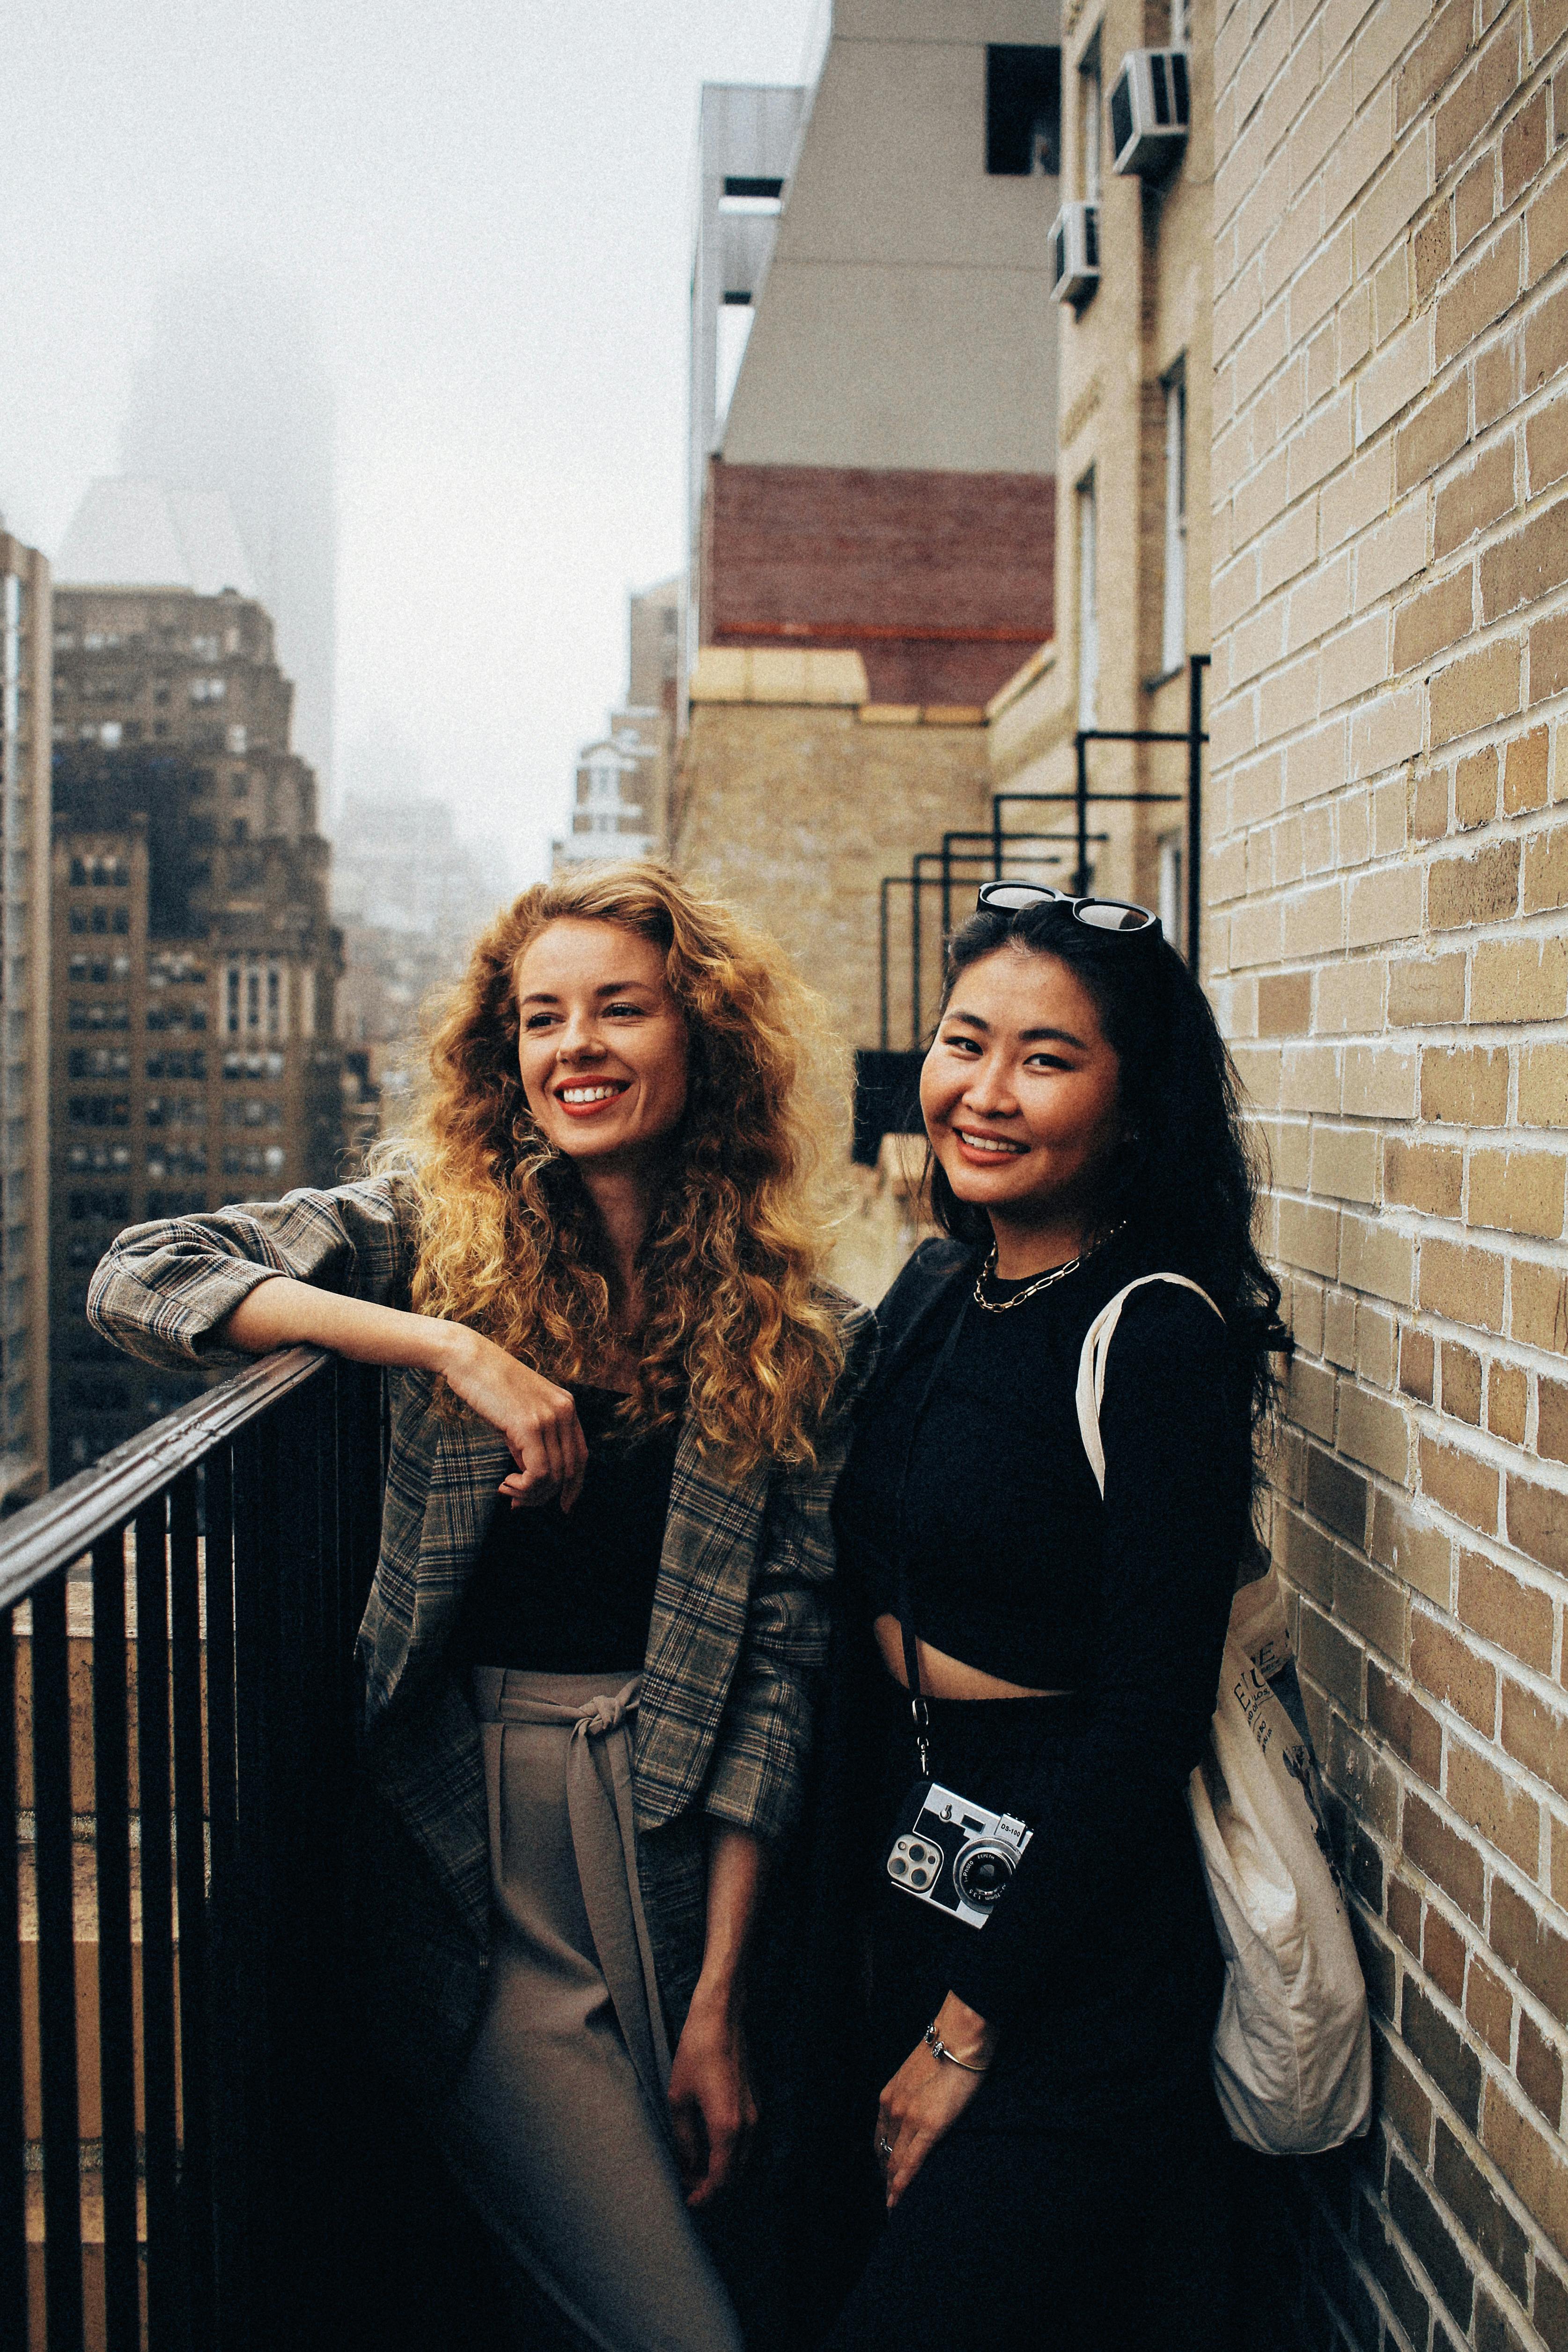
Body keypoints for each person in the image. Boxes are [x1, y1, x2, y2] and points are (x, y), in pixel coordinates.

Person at [88, 862, 875, 2352]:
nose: (576, 1046)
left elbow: (781, 1664)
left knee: (740, 2274)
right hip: (469, 1863)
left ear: (698, 1034)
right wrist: (445, 1346)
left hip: (670, 1841)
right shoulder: (427, 1240)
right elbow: (143, 1277)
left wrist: (720, 1998)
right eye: (541, 1019)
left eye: (619, 1010)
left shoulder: (789, 1326)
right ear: (502, 1058)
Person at [820, 882, 1285, 2351]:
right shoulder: (944, 1283)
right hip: (916, 1877)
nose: (986, 1091)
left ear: (1134, 1105)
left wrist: (970, 2028)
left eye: (1047, 1057)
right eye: (967, 1044)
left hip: (1072, 1948)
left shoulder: (1153, 1334)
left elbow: (1145, 1728)